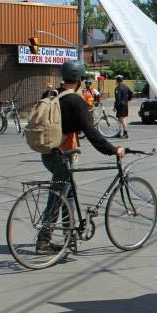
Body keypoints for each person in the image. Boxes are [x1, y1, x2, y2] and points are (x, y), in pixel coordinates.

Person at [36, 62, 125, 254]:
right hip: (63, 154)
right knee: (57, 196)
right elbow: (92, 133)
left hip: (47, 152)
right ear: (78, 80)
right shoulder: (75, 101)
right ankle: (43, 241)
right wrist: (112, 149)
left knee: (67, 193)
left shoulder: (51, 95)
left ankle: (70, 236)